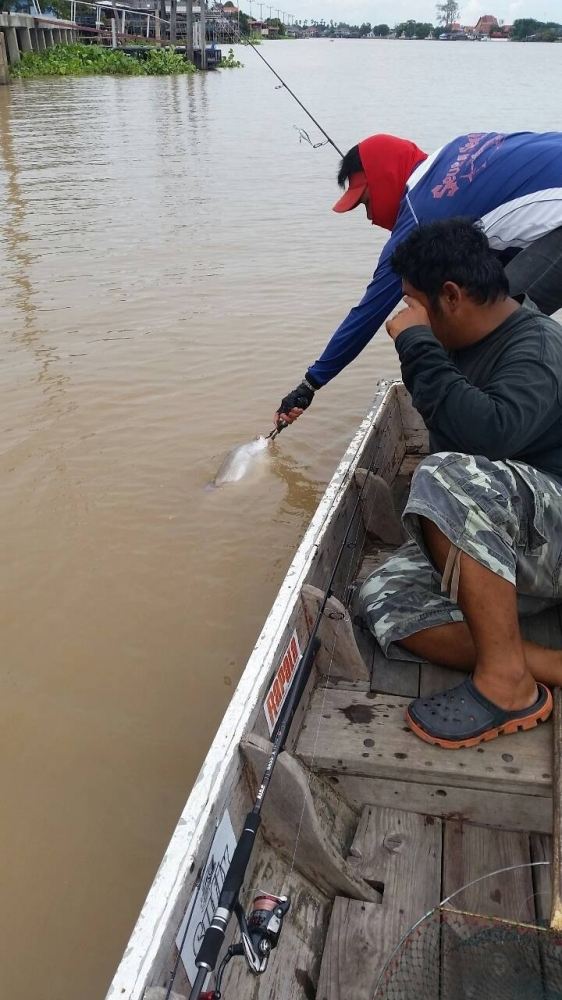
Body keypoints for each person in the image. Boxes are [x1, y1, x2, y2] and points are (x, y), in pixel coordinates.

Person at [358, 218, 562, 749]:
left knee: (444, 475)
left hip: (553, 530)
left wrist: (418, 346)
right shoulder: (462, 343)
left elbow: (481, 441)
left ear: (450, 296)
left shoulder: (536, 347)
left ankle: (510, 684)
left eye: (413, 303)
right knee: (382, 598)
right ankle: (543, 663)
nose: (404, 317)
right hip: (522, 540)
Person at [275, 130, 562, 427]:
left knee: (483, 326)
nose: (370, 217)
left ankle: (487, 437)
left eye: (365, 202)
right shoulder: (452, 152)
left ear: (385, 178)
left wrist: (311, 384)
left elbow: (368, 313)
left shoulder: (421, 211)